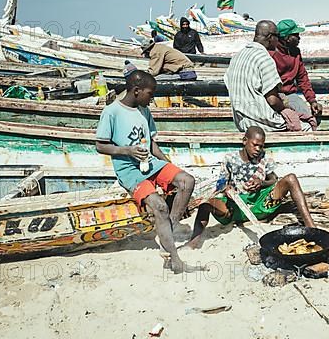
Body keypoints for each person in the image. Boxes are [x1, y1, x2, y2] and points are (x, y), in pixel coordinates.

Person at [95, 70, 199, 274]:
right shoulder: (112, 112)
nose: (151, 100)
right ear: (136, 91)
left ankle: (168, 231)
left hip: (150, 163)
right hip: (129, 169)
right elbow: (100, 145)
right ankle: (173, 259)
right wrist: (127, 150)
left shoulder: (144, 111)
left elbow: (151, 144)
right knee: (159, 206)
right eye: (150, 95)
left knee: (187, 181)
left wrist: (168, 165)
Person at [184, 126, 315, 248]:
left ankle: (312, 229)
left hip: (260, 205)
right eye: (255, 145)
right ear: (245, 141)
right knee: (205, 205)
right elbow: (220, 183)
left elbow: (274, 179)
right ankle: (194, 241)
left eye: (261, 146)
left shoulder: (264, 158)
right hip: (234, 207)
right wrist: (227, 188)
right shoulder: (230, 159)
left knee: (291, 178)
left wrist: (261, 183)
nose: (258, 149)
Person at [224, 20, 315, 132]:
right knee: (307, 128)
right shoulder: (265, 58)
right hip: (262, 121)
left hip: (241, 122)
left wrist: (312, 100)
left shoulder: (237, 56)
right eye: (277, 37)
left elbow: (303, 78)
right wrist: (287, 110)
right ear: (271, 37)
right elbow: (272, 100)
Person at [270, 19, 323, 119]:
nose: (299, 38)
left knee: (308, 118)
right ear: (287, 38)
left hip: (290, 95)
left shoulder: (295, 52)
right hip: (274, 97)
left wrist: (312, 100)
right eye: (296, 35)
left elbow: (302, 78)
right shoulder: (271, 54)